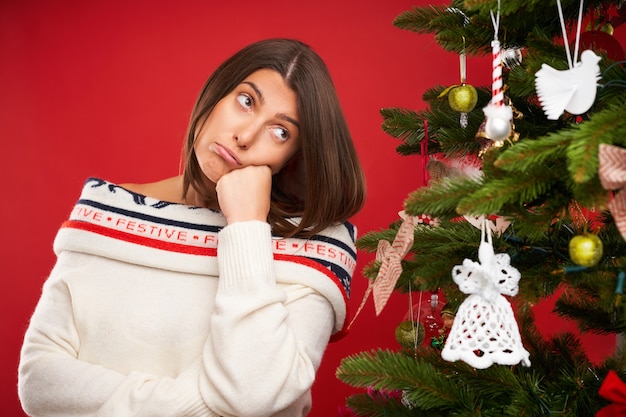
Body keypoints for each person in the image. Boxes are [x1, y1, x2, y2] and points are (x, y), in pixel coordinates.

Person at [18, 38, 366, 417]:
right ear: (216, 94)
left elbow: (255, 394)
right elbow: (40, 383)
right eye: (246, 101)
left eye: (280, 132)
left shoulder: (312, 246)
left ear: (291, 159)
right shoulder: (105, 210)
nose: (245, 137)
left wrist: (247, 227)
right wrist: (207, 403)